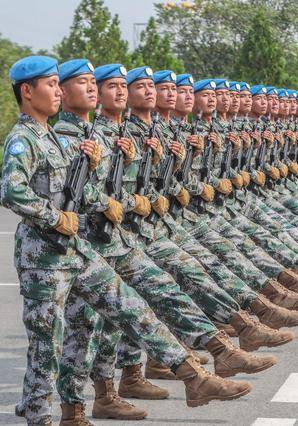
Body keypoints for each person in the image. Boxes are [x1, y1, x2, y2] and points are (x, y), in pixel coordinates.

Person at [2, 55, 250, 426]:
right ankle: (45, 418)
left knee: (132, 306)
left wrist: (101, 165)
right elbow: (10, 190)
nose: (56, 91)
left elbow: (84, 194)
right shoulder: (23, 139)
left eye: (57, 84)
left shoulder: (53, 137)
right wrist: (55, 217)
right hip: (44, 259)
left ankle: (193, 378)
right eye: (50, 85)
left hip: (76, 251)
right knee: (47, 347)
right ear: (27, 91)